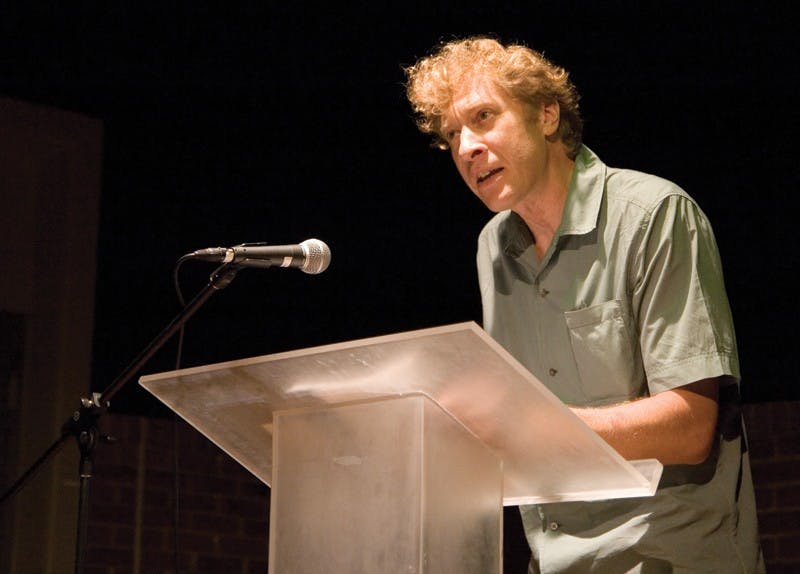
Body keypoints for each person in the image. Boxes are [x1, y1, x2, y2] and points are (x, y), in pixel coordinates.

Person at [404, 36, 765, 573]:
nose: (466, 149)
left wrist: (540, 428)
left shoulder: (653, 214)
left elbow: (692, 426)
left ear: (547, 115)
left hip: (669, 556)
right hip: (556, 560)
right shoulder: (491, 247)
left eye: (483, 117)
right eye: (452, 134)